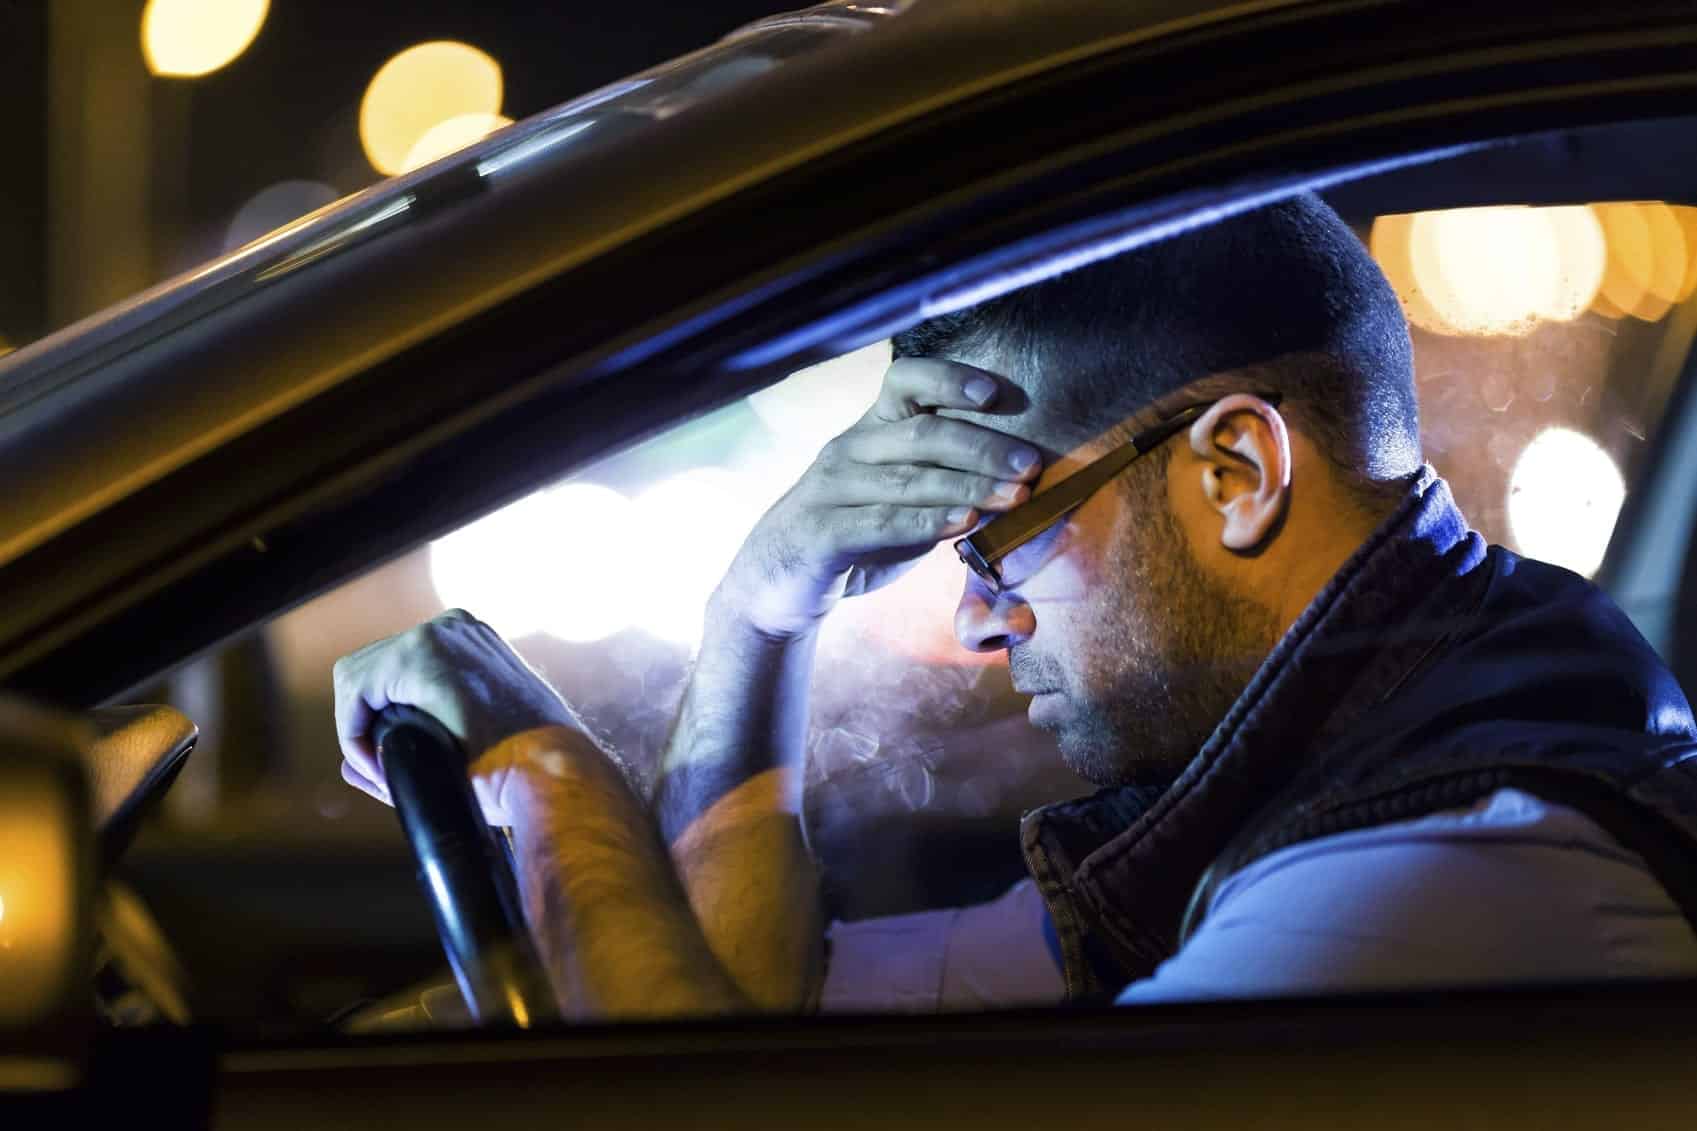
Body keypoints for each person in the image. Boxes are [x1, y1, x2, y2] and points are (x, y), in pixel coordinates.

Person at [334, 194, 1697, 1018]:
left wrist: (549, 774)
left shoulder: (1439, 879)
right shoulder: (1318, 780)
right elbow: (745, 1024)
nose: (982, 626)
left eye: (1004, 542)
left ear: (1235, 471)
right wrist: (760, 610)